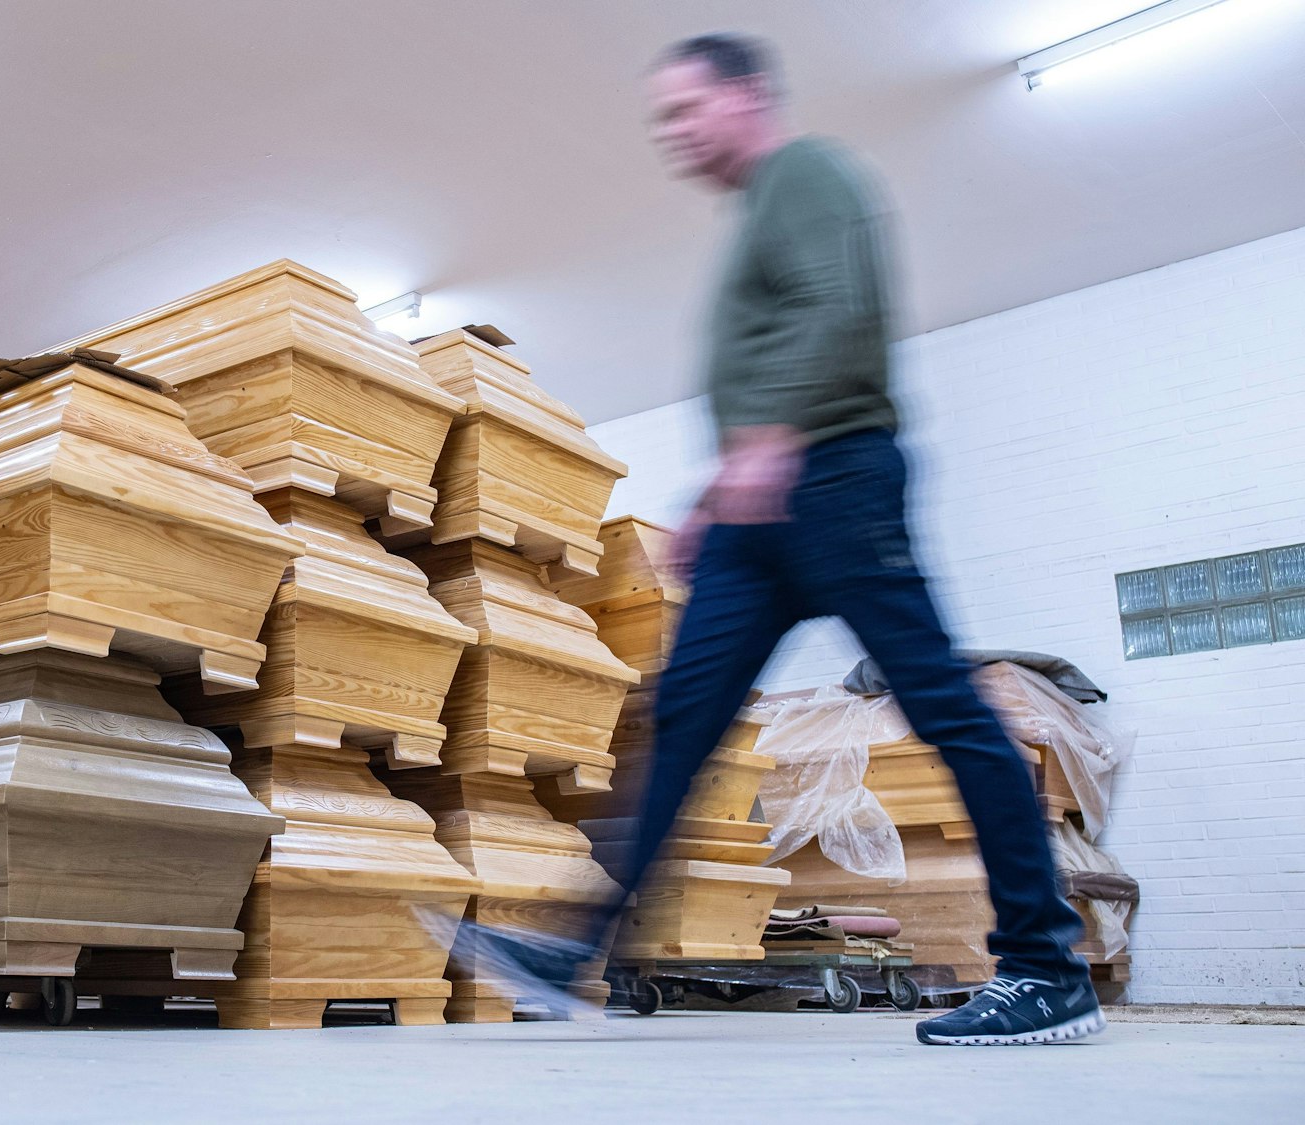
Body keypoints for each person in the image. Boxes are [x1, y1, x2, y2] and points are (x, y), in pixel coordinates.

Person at [455, 32, 1102, 1046]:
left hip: (833, 477)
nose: (671, 136)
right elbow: (780, 347)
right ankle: (569, 945)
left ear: (744, 97)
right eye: (660, 119)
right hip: (759, 514)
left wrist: (765, 441)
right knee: (683, 721)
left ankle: (1042, 967)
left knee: (939, 707)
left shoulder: (806, 173)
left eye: (683, 111)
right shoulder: (757, 212)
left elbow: (836, 311)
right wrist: (717, 495)